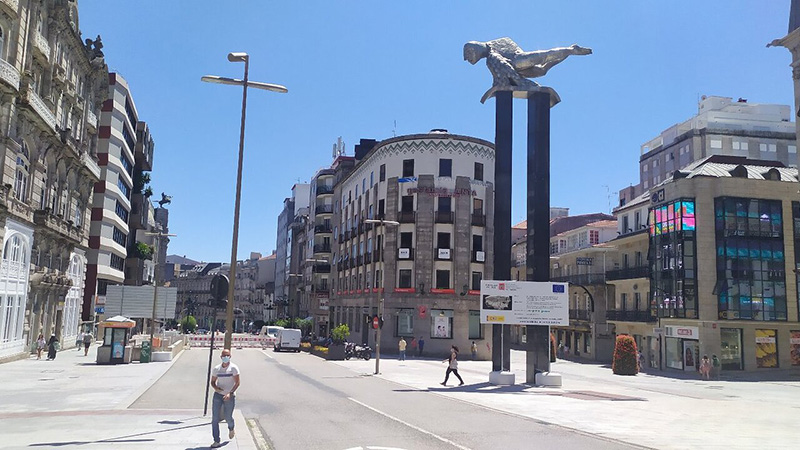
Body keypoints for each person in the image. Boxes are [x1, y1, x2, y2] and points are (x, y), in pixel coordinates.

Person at [210, 348, 240, 448]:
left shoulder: (234, 368)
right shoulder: (217, 369)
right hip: (218, 395)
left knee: (228, 417)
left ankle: (231, 428)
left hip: (229, 396)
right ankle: (216, 440)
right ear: (221, 357)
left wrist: (230, 393)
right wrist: (215, 387)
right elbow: (213, 382)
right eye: (224, 356)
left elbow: (237, 382)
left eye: (227, 356)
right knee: (215, 418)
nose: (225, 358)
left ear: (230, 357)